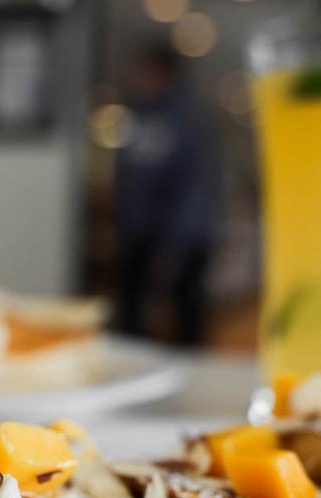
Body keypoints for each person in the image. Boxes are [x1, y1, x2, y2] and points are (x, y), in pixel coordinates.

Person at [113, 44, 219, 345]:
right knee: (129, 316)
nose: (137, 77)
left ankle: (193, 385)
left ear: (165, 74)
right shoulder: (133, 113)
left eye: (145, 71)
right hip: (138, 236)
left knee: (185, 319)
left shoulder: (189, 120)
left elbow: (193, 187)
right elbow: (127, 180)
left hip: (183, 238)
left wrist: (173, 248)